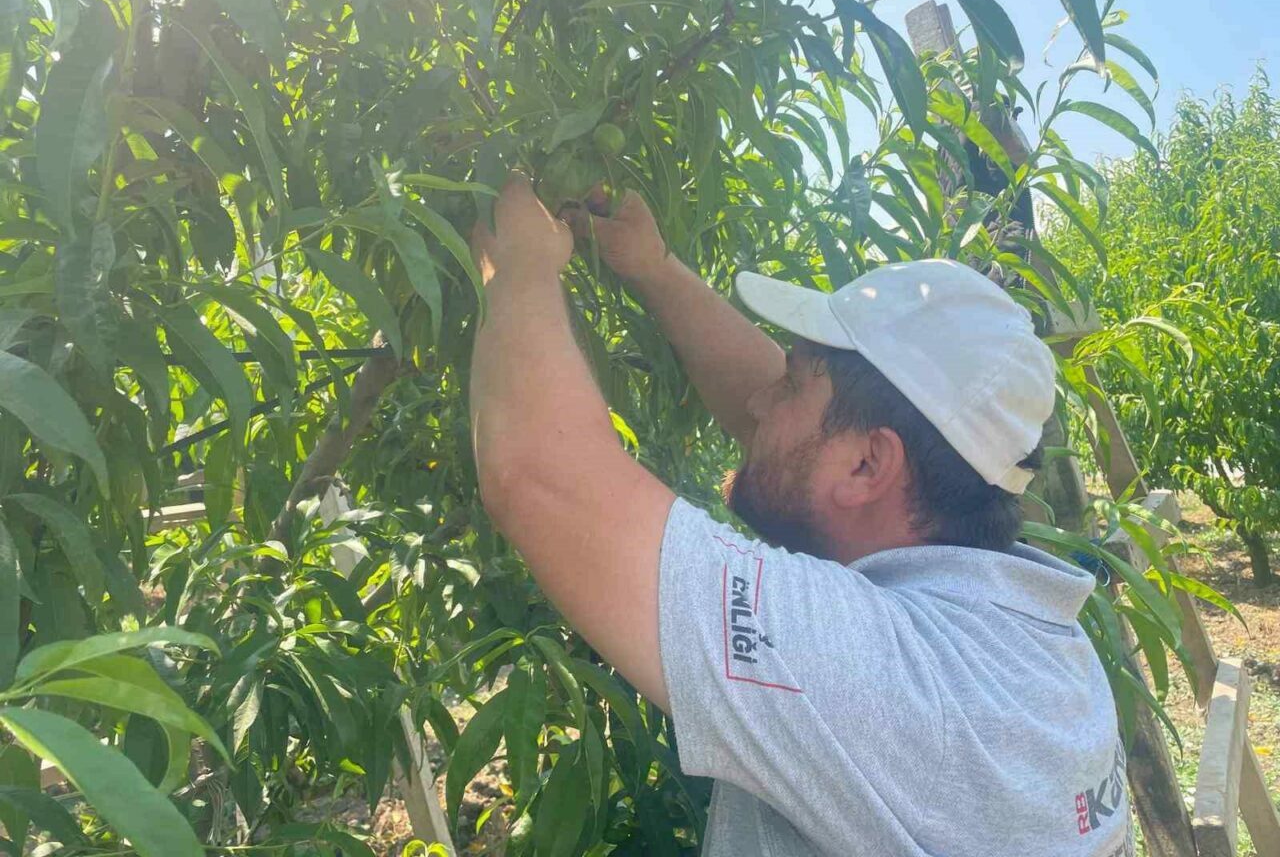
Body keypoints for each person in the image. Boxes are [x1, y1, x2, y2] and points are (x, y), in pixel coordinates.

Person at [468, 174, 1132, 857]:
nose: (758, 406)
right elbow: (807, 446)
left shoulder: (879, 675)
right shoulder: (1032, 644)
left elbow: (540, 475)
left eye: (790, 385)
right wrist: (655, 271)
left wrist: (517, 266)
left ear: (869, 467)